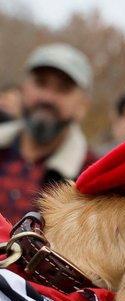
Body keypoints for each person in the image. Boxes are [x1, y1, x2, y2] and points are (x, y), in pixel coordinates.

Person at [0, 42, 97, 224]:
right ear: (23, 88)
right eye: (40, 83)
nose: (47, 97)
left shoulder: (91, 181)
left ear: (82, 106)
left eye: (63, 88)